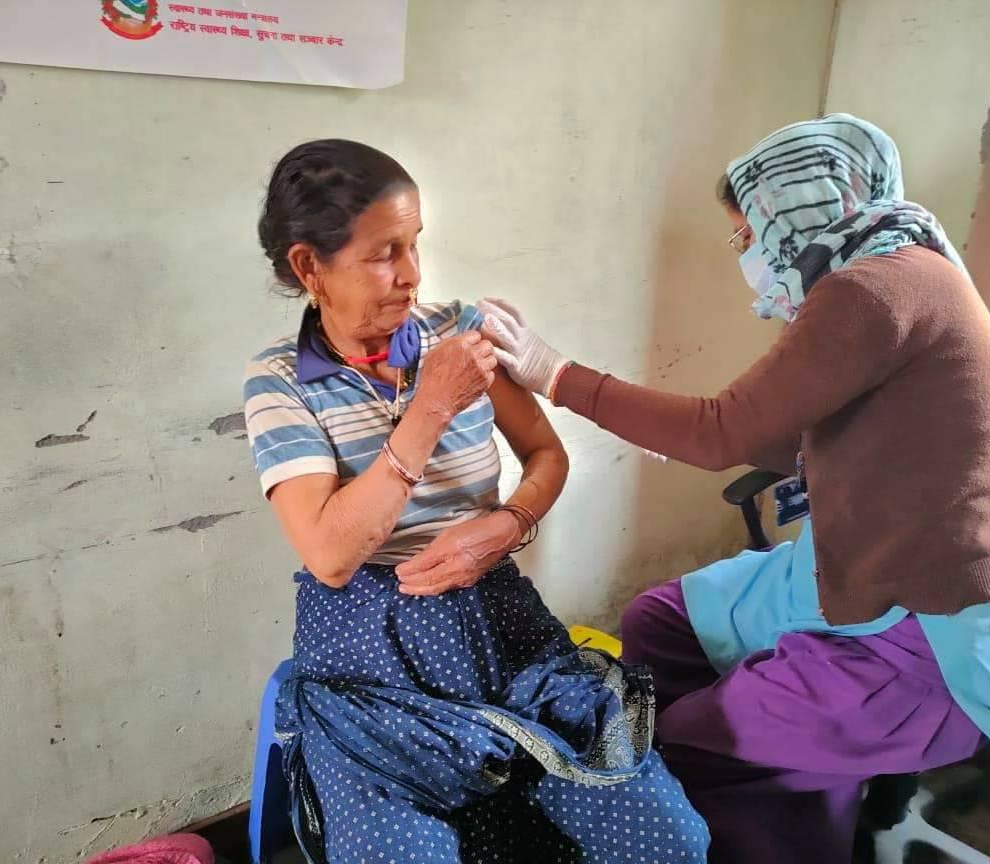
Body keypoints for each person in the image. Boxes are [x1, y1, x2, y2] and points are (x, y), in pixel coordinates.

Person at [480, 114, 990, 863]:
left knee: (686, 740)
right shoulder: (888, 270)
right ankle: (753, 791)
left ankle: (755, 798)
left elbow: (722, 431)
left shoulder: (875, 289)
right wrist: (678, 433)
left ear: (800, 205)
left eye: (748, 233)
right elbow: (781, 435)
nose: (747, 254)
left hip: (918, 622)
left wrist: (554, 373)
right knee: (658, 622)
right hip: (842, 572)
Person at [244, 139, 709, 864]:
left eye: (415, 244)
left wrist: (509, 522)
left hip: (499, 624)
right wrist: (430, 407)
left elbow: (547, 455)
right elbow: (331, 555)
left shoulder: (459, 333)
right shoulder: (278, 382)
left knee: (667, 840)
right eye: (384, 254)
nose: (412, 274)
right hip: (370, 658)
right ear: (310, 266)